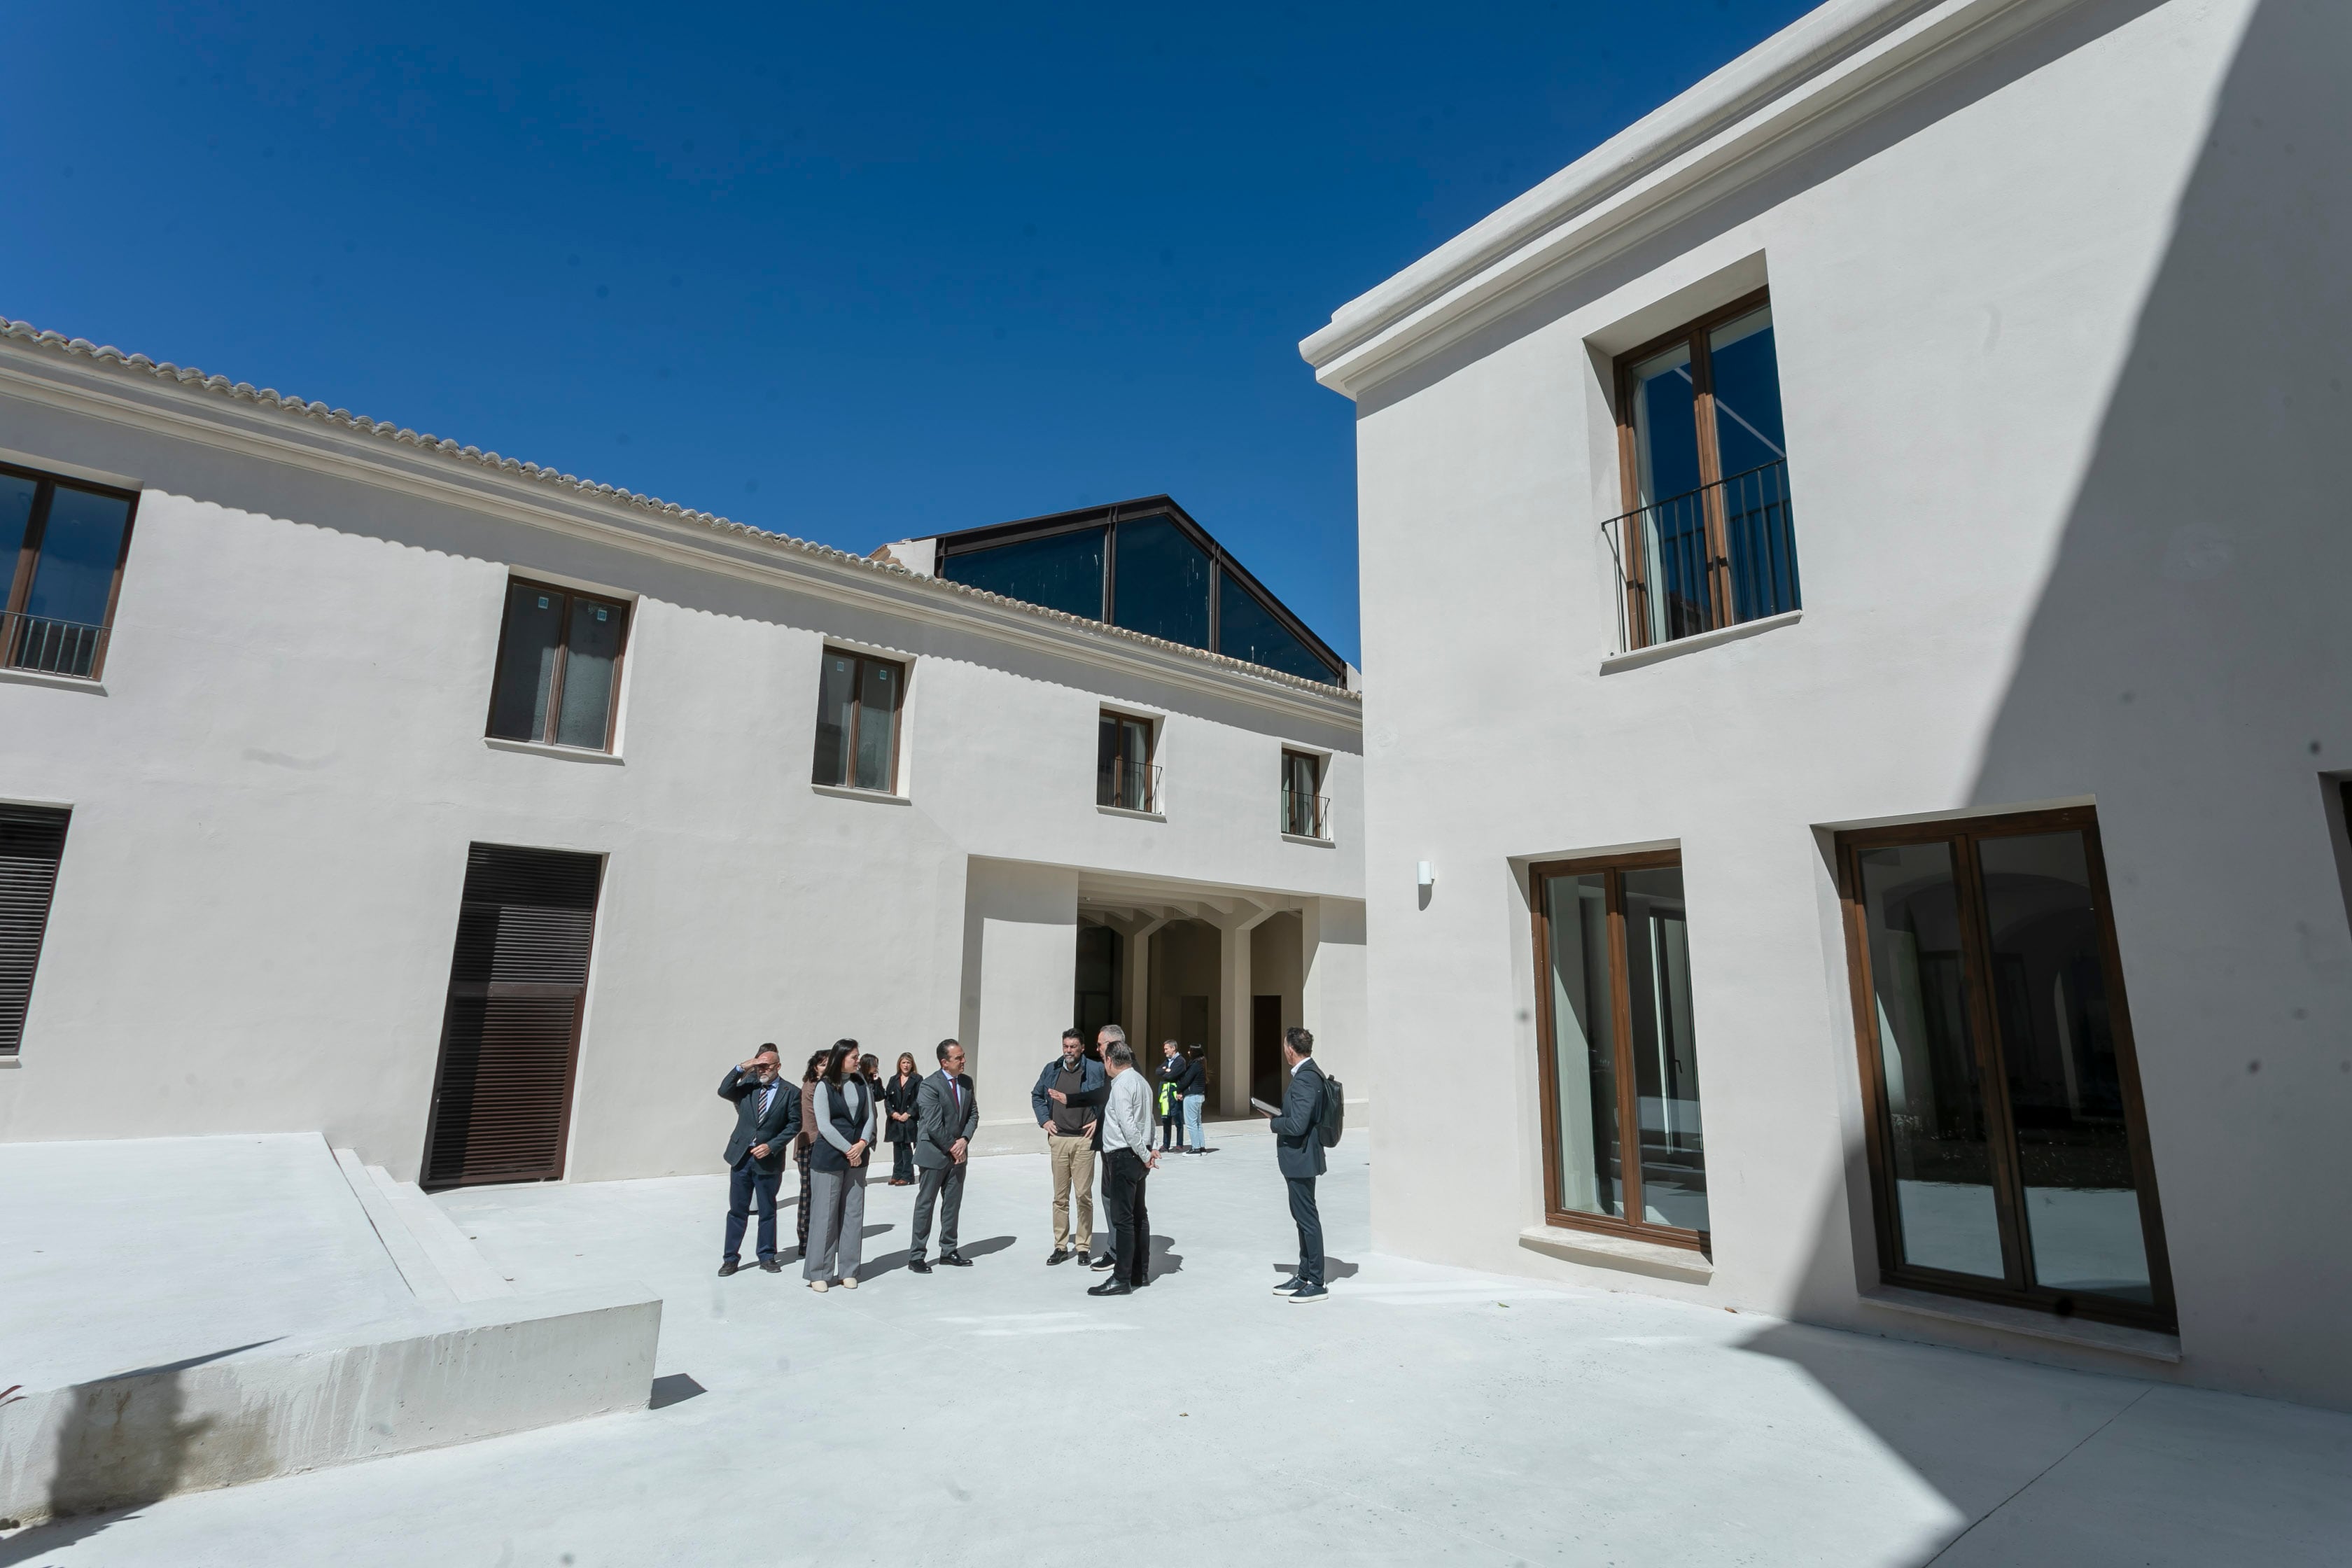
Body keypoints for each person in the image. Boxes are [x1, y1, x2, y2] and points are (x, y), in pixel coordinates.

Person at [718, 1044, 801, 1276]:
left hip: (768, 1160)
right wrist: (743, 1067)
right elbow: (724, 1090)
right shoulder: (748, 1087)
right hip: (741, 1158)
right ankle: (730, 1258)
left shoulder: (791, 1092)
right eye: (759, 1066)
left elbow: (794, 1124)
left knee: (767, 1210)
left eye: (767, 1066)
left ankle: (767, 1256)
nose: (762, 1070)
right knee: (737, 1211)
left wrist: (772, 1145)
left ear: (778, 1066)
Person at [803, 1041, 876, 1293]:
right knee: (825, 1217)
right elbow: (824, 1125)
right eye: (854, 1057)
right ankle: (819, 1273)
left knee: (853, 1215)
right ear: (841, 1058)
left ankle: (848, 1271)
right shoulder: (824, 1085)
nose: (858, 1061)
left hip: (858, 1156)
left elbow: (870, 1117)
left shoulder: (861, 1082)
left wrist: (862, 1144)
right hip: (830, 1158)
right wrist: (848, 1149)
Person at [1087, 1040, 1158, 1297]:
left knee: (1123, 1219)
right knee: (1139, 1216)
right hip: (1138, 1157)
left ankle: (1121, 1278)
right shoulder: (1141, 1081)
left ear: (1109, 1060)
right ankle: (1140, 1272)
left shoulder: (1120, 1085)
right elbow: (1150, 1120)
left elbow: (1128, 1126)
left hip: (1123, 1157)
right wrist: (1150, 1149)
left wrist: (1144, 1153)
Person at [1030, 1027, 1105, 1266]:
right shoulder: (1051, 1069)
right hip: (1059, 1139)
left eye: (1073, 1047)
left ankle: (1083, 1247)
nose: (1068, 1051)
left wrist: (1099, 1120)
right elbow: (1037, 1096)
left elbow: (1109, 1096)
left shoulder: (1095, 1069)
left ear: (1082, 1048)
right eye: (1065, 1046)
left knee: (1083, 1196)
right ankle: (1060, 1246)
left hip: (1084, 1140)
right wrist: (1045, 1120)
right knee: (1060, 1198)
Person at [1268, 1026, 1329, 1303]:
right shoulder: (1307, 1074)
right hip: (1300, 1158)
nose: (1284, 1051)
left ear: (1291, 1050)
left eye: (1284, 1046)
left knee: (1307, 1219)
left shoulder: (1305, 1078)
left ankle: (1316, 1281)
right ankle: (1304, 1275)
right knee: (1301, 1218)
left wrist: (1274, 1122)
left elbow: (1297, 1124)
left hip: (1301, 1158)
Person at [908, 1038, 977, 1273]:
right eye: (959, 1058)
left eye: (963, 1056)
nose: (964, 1060)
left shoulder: (966, 1082)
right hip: (934, 1154)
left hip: (958, 1155)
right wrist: (953, 1147)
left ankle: (949, 1251)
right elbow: (933, 1124)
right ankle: (917, 1256)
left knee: (952, 1205)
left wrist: (964, 1140)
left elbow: (973, 1114)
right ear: (944, 1062)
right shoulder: (929, 1086)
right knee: (925, 1205)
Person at [794, 1048, 828, 1253]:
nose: (827, 1068)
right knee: (809, 1193)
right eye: (823, 1064)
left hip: (818, 1142)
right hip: (811, 1143)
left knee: (818, 1193)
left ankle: (815, 1239)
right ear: (815, 1067)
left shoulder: (824, 1084)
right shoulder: (814, 1086)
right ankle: (806, 1241)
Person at [883, 1051, 922, 1185]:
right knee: (897, 1146)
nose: (906, 1065)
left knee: (906, 1146)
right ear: (899, 1064)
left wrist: (909, 1113)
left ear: (912, 1065)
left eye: (908, 1063)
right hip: (895, 1119)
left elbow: (919, 1099)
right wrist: (892, 1113)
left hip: (908, 1119)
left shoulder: (917, 1079)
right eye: (903, 1062)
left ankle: (907, 1176)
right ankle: (897, 1174)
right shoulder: (893, 1079)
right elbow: (887, 1099)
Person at [1156, 1037, 1187, 1152]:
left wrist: (1166, 1071)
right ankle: (1166, 1145)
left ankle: (1179, 1145)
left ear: (1173, 1048)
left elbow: (1171, 1076)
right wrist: (1166, 1070)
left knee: (1178, 1120)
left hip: (1175, 1094)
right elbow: (1157, 1071)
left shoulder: (1180, 1061)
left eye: (1166, 1049)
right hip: (1165, 1095)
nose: (1165, 1051)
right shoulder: (1167, 1061)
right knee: (1166, 1120)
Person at [1178, 1043, 1208, 1156]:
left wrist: (1179, 1090)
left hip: (1192, 1097)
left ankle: (1195, 1148)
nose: (1188, 1052)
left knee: (1191, 1124)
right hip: (1199, 1096)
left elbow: (1186, 1080)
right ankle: (1201, 1147)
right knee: (1198, 1123)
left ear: (1194, 1052)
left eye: (1190, 1051)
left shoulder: (1195, 1065)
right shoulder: (1201, 1064)